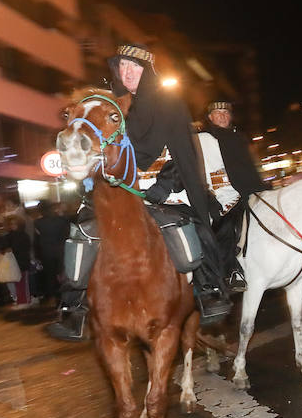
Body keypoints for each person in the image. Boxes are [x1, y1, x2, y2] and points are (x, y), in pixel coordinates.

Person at [47, 43, 228, 340]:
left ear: (148, 71)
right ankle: (71, 307)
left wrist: (163, 186)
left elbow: (181, 152)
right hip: (121, 188)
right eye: (122, 67)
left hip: (164, 189)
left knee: (194, 226)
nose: (127, 72)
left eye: (134, 67)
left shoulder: (169, 103)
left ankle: (210, 290)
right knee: (80, 231)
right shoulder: (116, 106)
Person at [199, 99, 267, 286]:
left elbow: (247, 168)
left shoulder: (238, 138)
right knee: (226, 226)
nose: (222, 116)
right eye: (217, 113)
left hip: (243, 190)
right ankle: (229, 271)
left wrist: (259, 187)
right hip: (212, 195)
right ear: (210, 117)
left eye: (225, 113)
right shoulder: (202, 138)